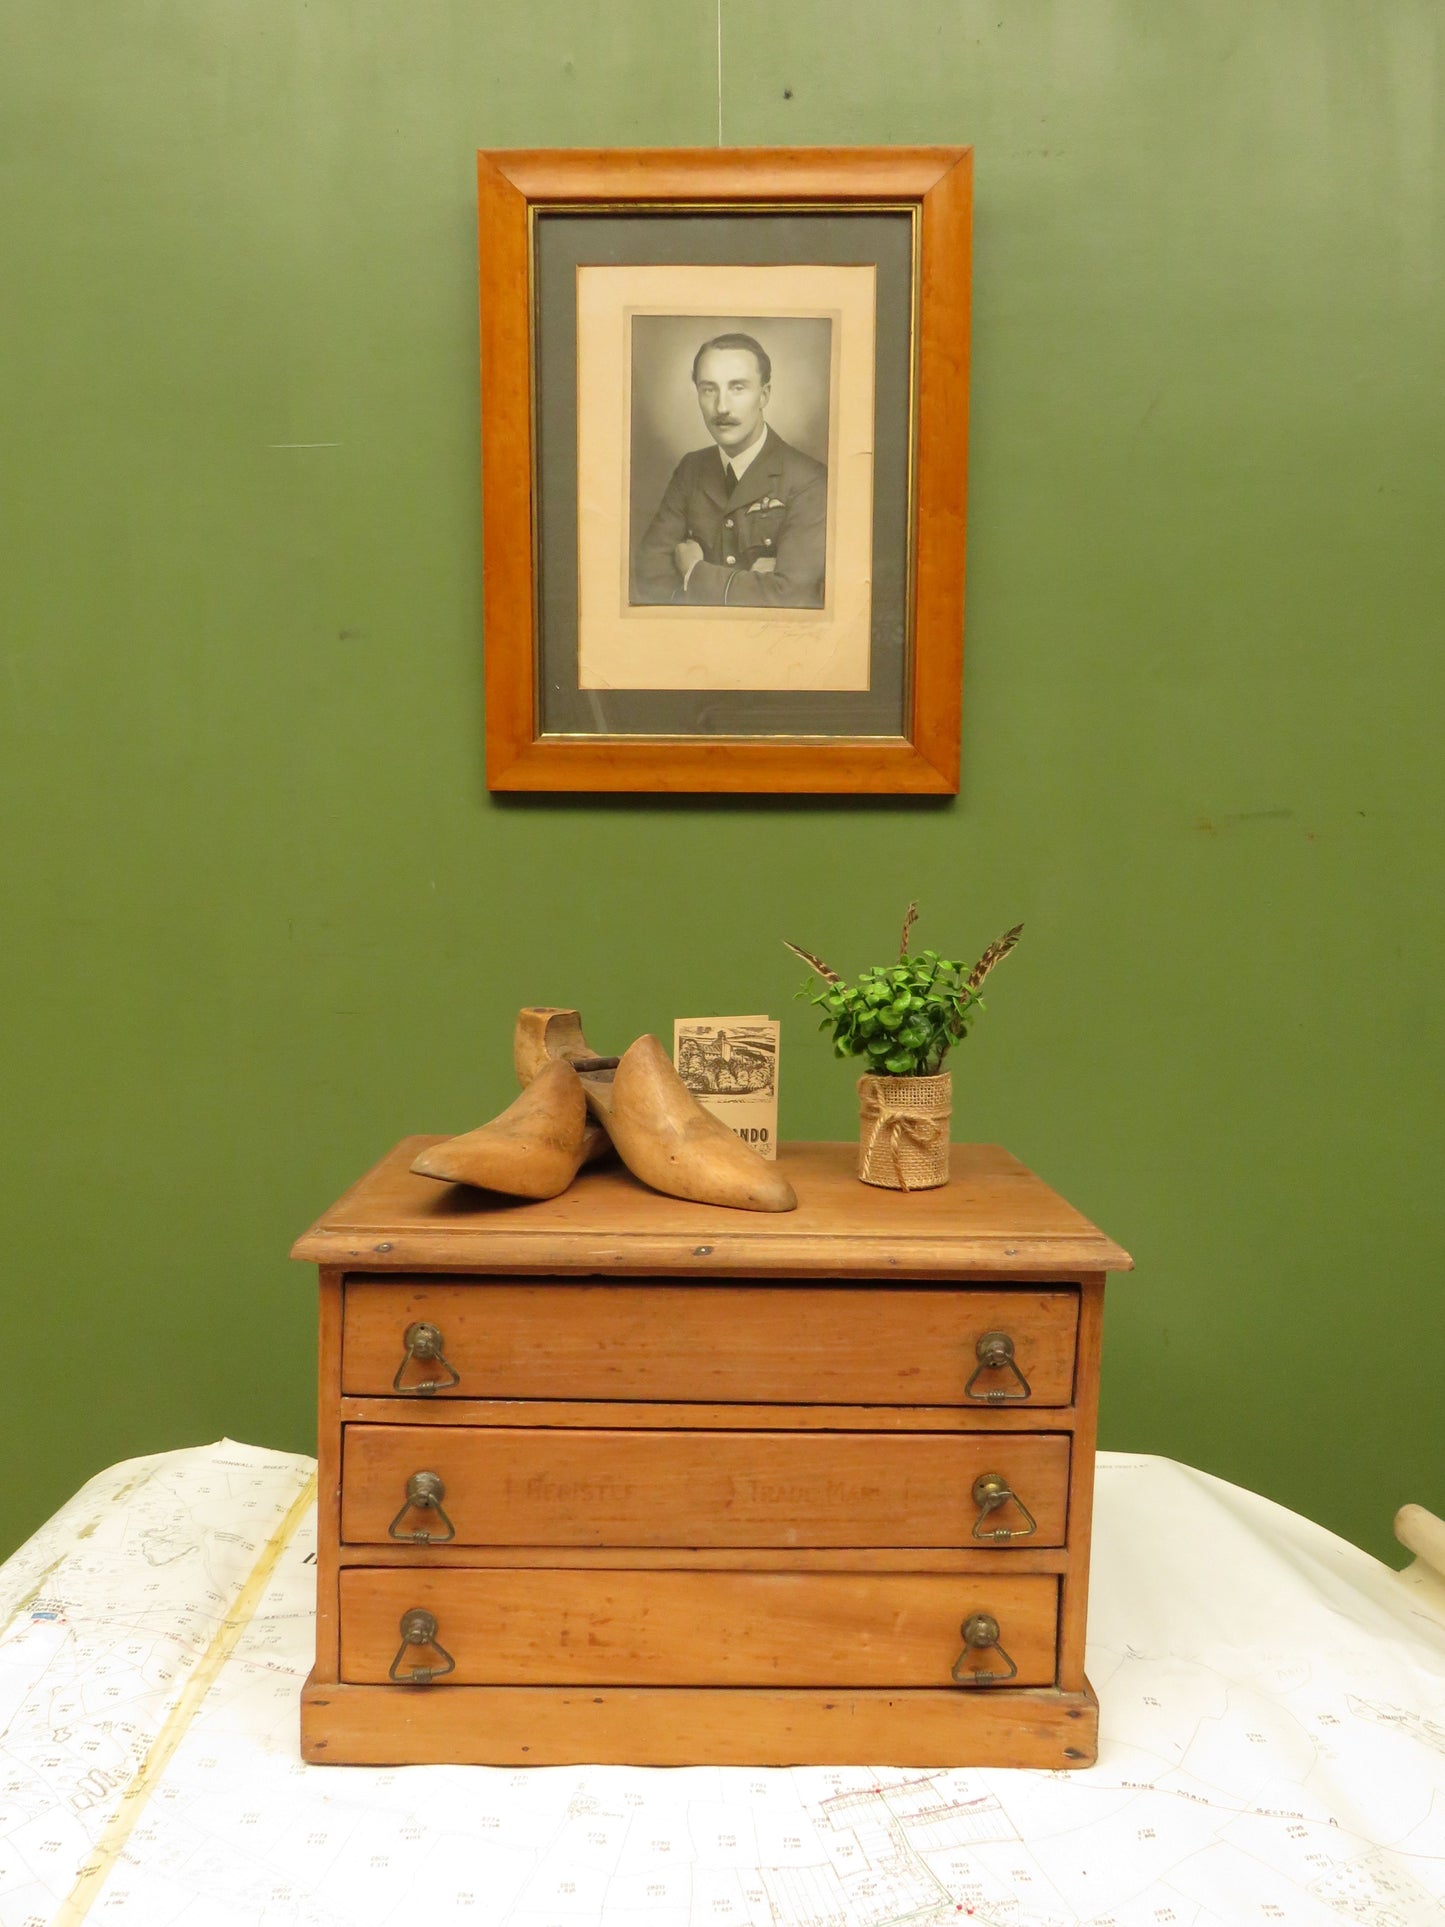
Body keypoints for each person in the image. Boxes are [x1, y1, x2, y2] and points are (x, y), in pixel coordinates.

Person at [631, 332, 827, 608]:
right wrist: (752, 583)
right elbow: (649, 576)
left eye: (738, 388)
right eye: (709, 389)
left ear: (764, 395)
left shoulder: (809, 479)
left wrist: (694, 572)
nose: (721, 407)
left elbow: (790, 595)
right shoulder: (692, 469)